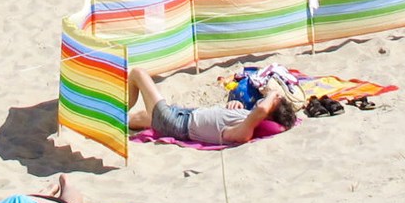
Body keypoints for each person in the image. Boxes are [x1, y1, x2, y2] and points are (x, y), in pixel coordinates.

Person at [124, 65, 297, 145]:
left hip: (175, 123)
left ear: (267, 114)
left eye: (269, 103)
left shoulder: (244, 132)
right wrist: (233, 105)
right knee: (139, 118)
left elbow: (260, 110)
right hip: (185, 115)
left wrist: (273, 94)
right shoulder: (246, 118)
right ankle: (121, 118)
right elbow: (255, 112)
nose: (264, 99)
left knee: (138, 73)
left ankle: (121, 108)